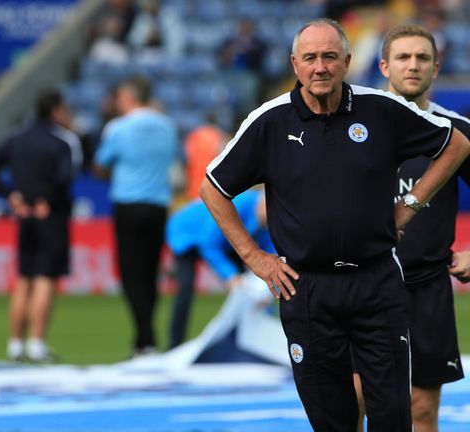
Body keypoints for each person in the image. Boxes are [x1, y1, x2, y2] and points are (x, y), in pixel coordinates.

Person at [199, 18, 470, 431]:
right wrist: (255, 257)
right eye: (310, 58)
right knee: (331, 419)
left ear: (346, 61)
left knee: (395, 416)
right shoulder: (269, 120)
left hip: (377, 282)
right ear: (294, 64)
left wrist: (410, 204)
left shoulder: (380, 109)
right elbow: (213, 188)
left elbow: (456, 144)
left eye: (330, 57)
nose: (320, 67)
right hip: (306, 287)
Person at [350, 23, 470, 432]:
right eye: (403, 57)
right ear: (384, 66)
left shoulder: (458, 132)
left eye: (422, 58)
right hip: (360, 285)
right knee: (354, 401)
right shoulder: (354, 126)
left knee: (421, 409)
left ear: (436, 68)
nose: (413, 65)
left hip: (427, 288)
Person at [0, 88, 80, 363]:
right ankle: (36, 344)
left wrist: (11, 195)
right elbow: (65, 178)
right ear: (56, 111)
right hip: (52, 216)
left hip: (24, 215)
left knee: (24, 278)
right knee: (45, 278)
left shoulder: (16, 138)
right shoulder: (63, 141)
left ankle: (14, 345)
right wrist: (46, 200)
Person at [93, 74, 179, 357]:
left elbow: (99, 165)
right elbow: (175, 160)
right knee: (151, 273)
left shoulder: (118, 127)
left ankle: (145, 338)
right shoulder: (167, 126)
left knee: (131, 275)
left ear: (129, 97)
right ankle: (146, 340)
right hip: (158, 205)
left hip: (128, 204)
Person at [165, 188, 271, 349]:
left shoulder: (267, 221)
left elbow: (268, 260)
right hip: (188, 235)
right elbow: (209, 243)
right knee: (185, 287)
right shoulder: (241, 203)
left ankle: (247, 342)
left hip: (226, 242)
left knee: (246, 291)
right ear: (262, 203)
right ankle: (174, 346)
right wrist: (230, 276)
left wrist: (267, 292)